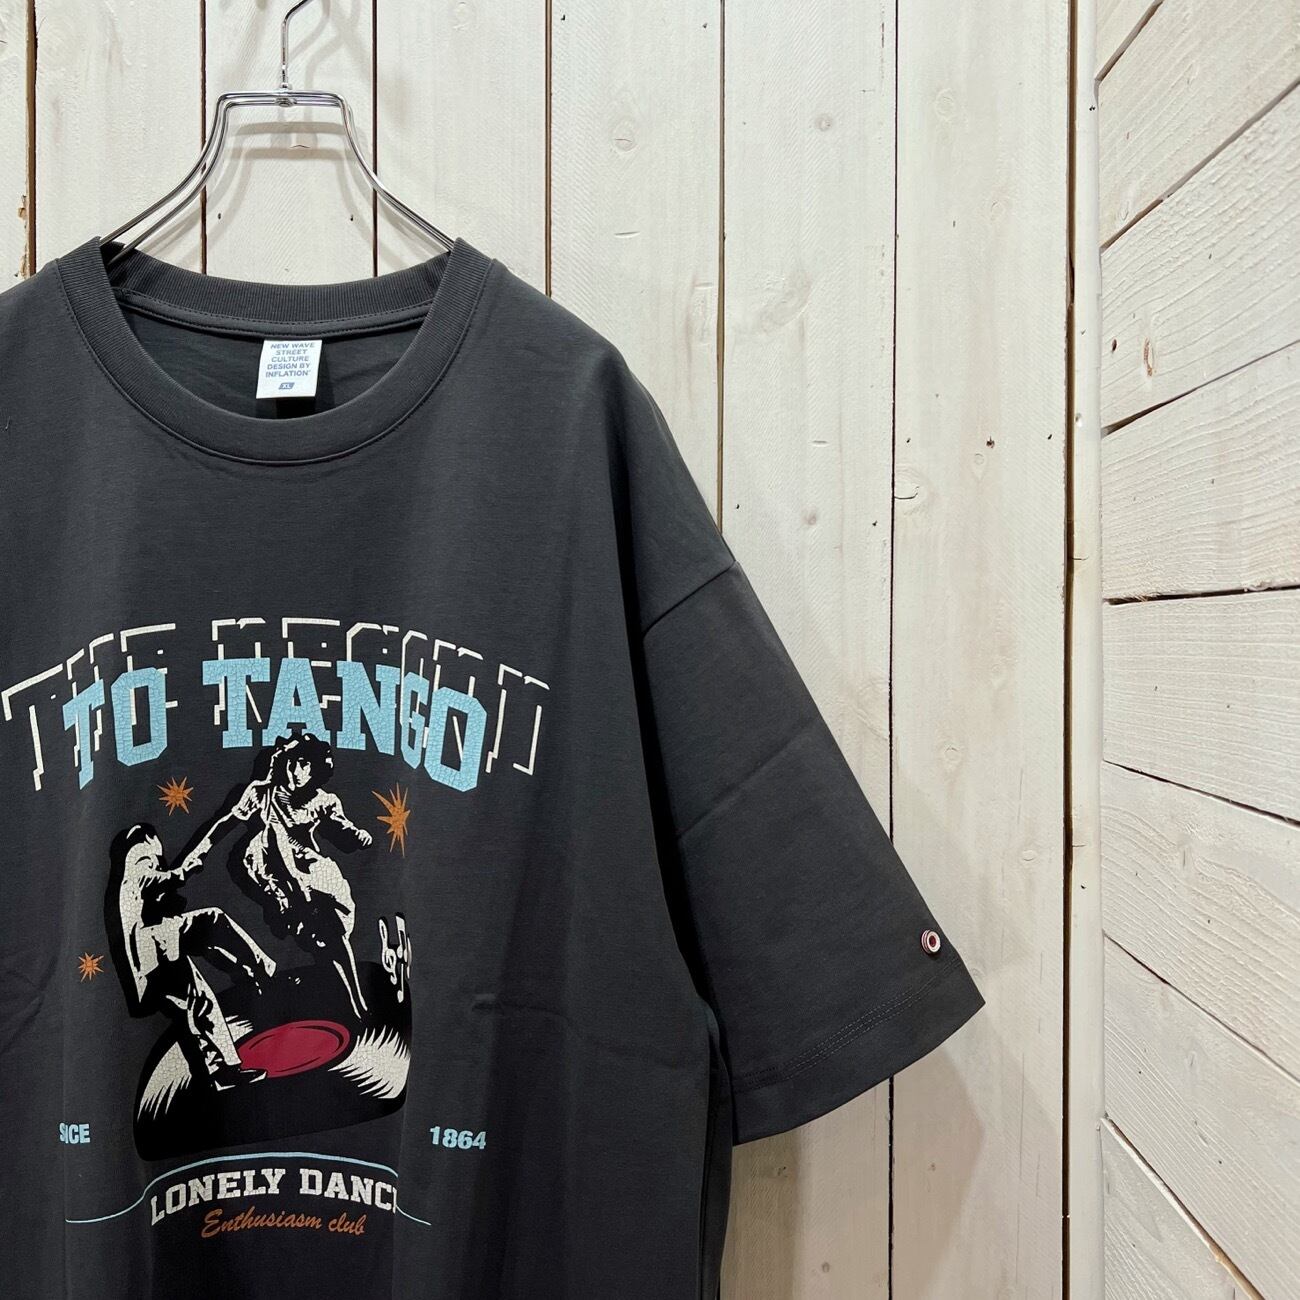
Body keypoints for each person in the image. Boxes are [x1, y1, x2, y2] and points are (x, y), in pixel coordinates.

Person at [108, 814, 276, 1092]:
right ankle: (261, 967)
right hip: (153, 948)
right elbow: (153, 879)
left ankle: (223, 1070)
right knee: (212, 920)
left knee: (200, 1002)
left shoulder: (134, 875)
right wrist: (184, 869)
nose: (158, 858)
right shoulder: (138, 858)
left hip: (155, 954)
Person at [233, 733, 374, 1018]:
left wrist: (359, 835)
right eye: (295, 762)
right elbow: (228, 824)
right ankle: (342, 1003)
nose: (299, 772)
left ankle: (356, 1004)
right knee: (273, 834)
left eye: (307, 765)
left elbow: (343, 829)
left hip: (311, 869)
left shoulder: (323, 800)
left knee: (333, 935)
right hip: (273, 870)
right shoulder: (264, 793)